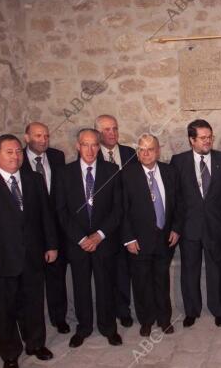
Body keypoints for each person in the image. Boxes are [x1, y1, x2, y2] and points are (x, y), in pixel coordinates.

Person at [0, 134, 57, 368]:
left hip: (33, 257)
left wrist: (51, 245)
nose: (15, 156)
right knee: (5, 310)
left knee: (34, 304)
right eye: (9, 152)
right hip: (0, 259)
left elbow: (45, 216)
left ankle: (35, 343)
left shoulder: (34, 179)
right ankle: (9, 354)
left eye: (18, 151)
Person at [55, 128, 123, 348]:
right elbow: (61, 210)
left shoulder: (112, 170)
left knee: (105, 286)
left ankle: (108, 327)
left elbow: (118, 208)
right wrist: (82, 238)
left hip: (104, 242)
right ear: (78, 146)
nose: (91, 149)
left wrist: (100, 235)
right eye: (86, 144)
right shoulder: (64, 173)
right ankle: (83, 328)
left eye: (94, 144)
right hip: (78, 244)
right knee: (81, 287)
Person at [170, 119, 221, 328]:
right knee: (189, 270)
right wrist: (176, 227)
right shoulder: (178, 162)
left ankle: (218, 310)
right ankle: (191, 311)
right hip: (189, 227)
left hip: (216, 226)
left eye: (210, 137)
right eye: (203, 138)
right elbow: (175, 198)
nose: (208, 141)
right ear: (192, 140)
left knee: (216, 270)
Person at [121, 134, 180, 337]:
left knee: (161, 281)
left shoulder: (169, 172)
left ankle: (164, 319)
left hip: (165, 238)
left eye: (150, 149)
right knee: (141, 282)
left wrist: (176, 228)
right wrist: (128, 238)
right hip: (138, 240)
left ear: (158, 151)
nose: (146, 153)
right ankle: (146, 320)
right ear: (138, 152)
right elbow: (123, 209)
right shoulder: (128, 174)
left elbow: (178, 203)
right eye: (142, 150)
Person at [21, 122, 69, 335]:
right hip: (29, 234)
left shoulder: (58, 157)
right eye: (38, 135)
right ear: (26, 137)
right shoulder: (17, 159)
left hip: (55, 231)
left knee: (56, 278)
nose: (43, 139)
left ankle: (59, 318)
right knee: (30, 284)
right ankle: (31, 324)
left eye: (46, 135)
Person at [94, 114, 137, 328]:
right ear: (98, 133)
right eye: (107, 130)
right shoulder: (93, 155)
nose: (112, 133)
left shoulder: (130, 153)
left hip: (127, 222)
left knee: (124, 271)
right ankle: (107, 311)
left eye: (115, 129)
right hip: (104, 225)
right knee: (105, 273)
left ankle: (124, 309)